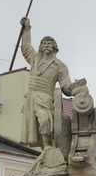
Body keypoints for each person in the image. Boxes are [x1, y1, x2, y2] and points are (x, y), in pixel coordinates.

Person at [20, 16, 86, 150]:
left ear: (55, 47)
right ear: (40, 47)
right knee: (36, 124)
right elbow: (26, 48)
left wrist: (77, 88)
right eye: (44, 43)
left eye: (50, 43)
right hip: (32, 98)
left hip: (45, 98)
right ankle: (46, 148)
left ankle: (48, 146)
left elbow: (66, 88)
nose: (47, 46)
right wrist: (26, 28)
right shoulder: (35, 59)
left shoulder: (59, 66)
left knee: (45, 120)